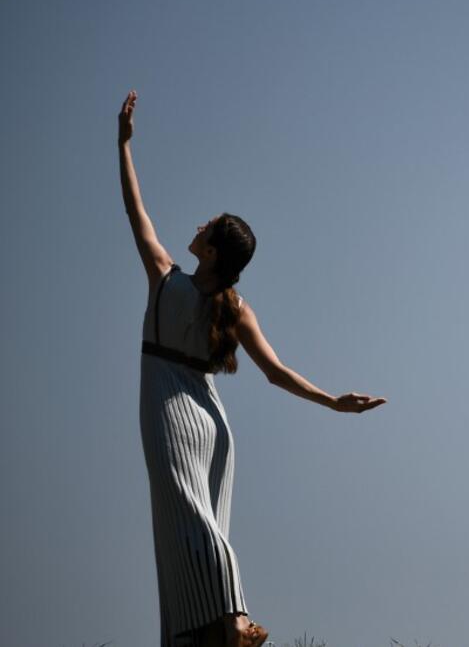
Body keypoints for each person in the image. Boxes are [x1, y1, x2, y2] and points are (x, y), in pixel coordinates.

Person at [118, 91, 387, 647]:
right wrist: (332, 400)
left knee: (188, 525)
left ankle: (237, 619)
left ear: (212, 252)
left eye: (207, 225)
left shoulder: (169, 278)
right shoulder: (230, 305)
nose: (196, 225)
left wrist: (122, 146)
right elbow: (278, 372)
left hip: (169, 412)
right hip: (212, 422)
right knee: (189, 528)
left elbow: (134, 210)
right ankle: (209, 636)